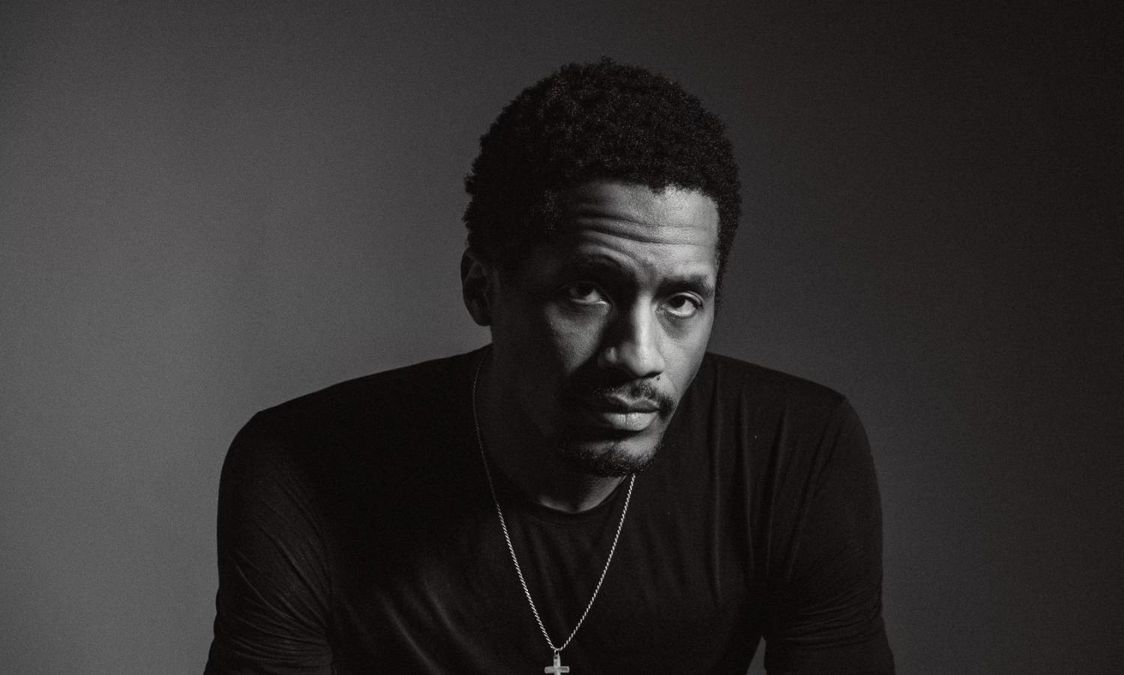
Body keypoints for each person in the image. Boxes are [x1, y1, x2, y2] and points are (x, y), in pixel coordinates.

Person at [205, 59, 893, 674]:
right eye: (587, 290)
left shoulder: (798, 451)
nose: (640, 356)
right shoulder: (301, 465)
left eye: (681, 301)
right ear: (482, 287)